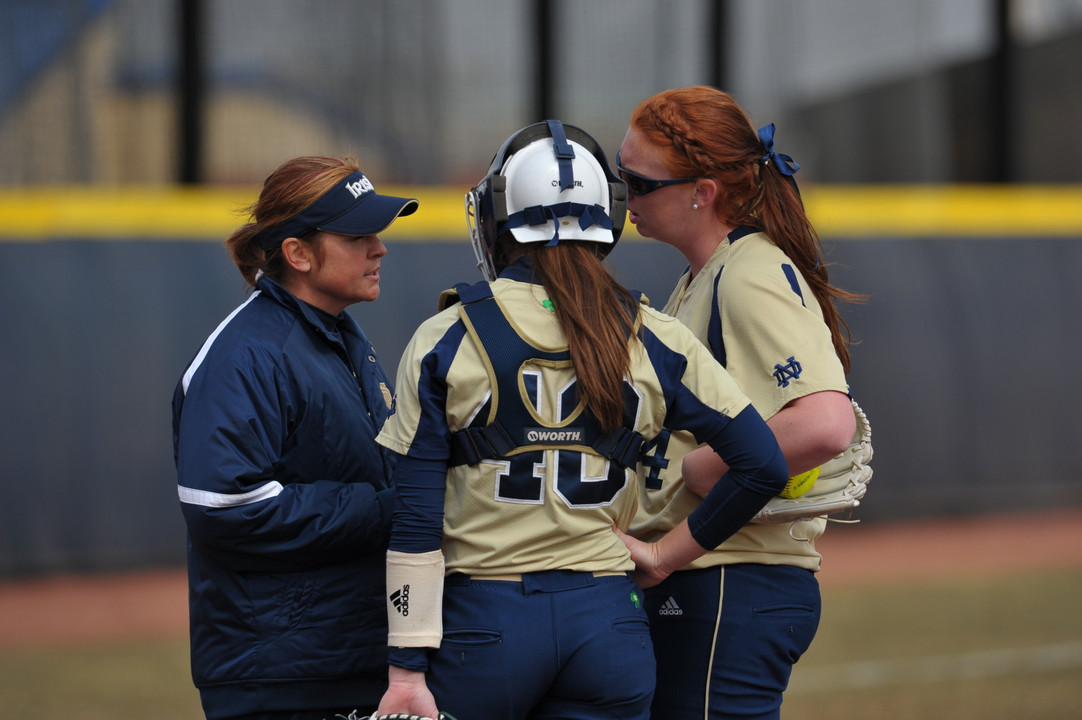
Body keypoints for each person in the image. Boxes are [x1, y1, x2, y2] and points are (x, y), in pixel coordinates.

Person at [369, 120, 789, 720]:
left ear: (500, 216)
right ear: (610, 219)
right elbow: (764, 463)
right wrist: (667, 554)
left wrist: (406, 666)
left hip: (485, 627)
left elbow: (415, 518)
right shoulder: (656, 336)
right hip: (607, 622)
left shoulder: (448, 337)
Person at [614, 86, 866, 720]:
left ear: (703, 191)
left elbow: (825, 422)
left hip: (733, 578)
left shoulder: (748, 272)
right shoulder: (704, 275)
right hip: (719, 577)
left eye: (640, 183)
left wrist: (702, 473)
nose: (626, 196)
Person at [171, 155, 418, 720]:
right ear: (298, 253)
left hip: (345, 659)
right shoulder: (245, 354)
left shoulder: (340, 338)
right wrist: (387, 508)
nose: (379, 248)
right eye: (358, 235)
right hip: (280, 677)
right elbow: (225, 505)